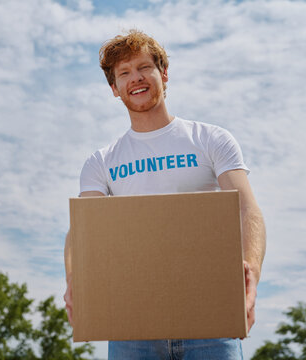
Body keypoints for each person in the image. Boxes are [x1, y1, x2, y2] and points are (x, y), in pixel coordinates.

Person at [64, 29, 266, 360]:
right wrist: (74, 279)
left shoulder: (210, 139)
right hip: (132, 326)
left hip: (210, 321)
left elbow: (248, 211)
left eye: (144, 67)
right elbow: (84, 229)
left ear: (164, 73)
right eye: (124, 73)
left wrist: (252, 275)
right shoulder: (101, 162)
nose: (136, 78)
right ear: (114, 89)